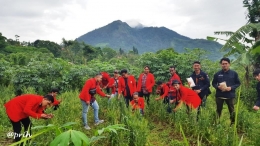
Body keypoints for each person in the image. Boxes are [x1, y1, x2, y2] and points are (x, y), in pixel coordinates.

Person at [212, 57, 241, 125]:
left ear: (229, 64)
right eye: (223, 64)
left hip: (230, 95)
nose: (224, 65)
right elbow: (213, 83)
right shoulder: (217, 74)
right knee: (218, 110)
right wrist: (217, 87)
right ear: (220, 65)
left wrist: (231, 87)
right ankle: (217, 123)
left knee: (231, 110)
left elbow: (238, 83)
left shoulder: (234, 73)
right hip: (219, 95)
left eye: (226, 63)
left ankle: (233, 124)